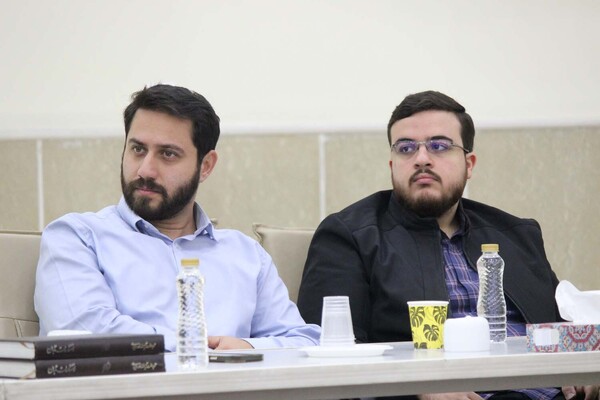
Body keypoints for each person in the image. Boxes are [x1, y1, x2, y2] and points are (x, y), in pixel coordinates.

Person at [297, 91, 598, 400]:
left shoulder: (517, 234)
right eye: (405, 148)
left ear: (469, 164)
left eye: (439, 146)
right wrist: (419, 389)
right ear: (392, 165)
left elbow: (563, 325)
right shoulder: (350, 237)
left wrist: (585, 363)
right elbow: (328, 359)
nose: (421, 158)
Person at [34, 83, 320, 352]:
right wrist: (200, 350)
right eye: (137, 149)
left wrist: (249, 348)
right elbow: (83, 334)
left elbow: (303, 342)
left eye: (168, 154)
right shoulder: (78, 237)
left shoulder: (246, 256)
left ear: (205, 166)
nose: (145, 170)